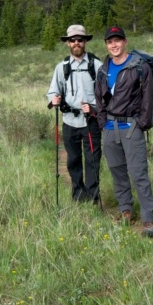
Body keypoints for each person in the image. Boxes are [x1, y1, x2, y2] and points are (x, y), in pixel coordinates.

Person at [95, 26, 153, 237]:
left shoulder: (139, 66)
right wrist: (103, 124)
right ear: (106, 44)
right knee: (117, 172)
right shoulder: (103, 69)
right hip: (110, 129)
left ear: (125, 41)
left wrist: (141, 124)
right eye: (110, 41)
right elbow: (99, 100)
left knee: (139, 173)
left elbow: (148, 99)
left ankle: (148, 218)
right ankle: (126, 210)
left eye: (117, 40)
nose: (114, 45)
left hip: (132, 128)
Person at [47, 25, 102, 204]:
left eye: (80, 39)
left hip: (90, 121)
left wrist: (93, 108)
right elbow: (53, 91)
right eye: (72, 40)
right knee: (73, 160)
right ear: (67, 43)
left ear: (85, 41)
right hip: (69, 121)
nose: (76, 43)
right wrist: (54, 99)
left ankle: (93, 198)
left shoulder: (97, 65)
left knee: (93, 160)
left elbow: (106, 95)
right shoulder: (61, 67)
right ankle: (78, 196)